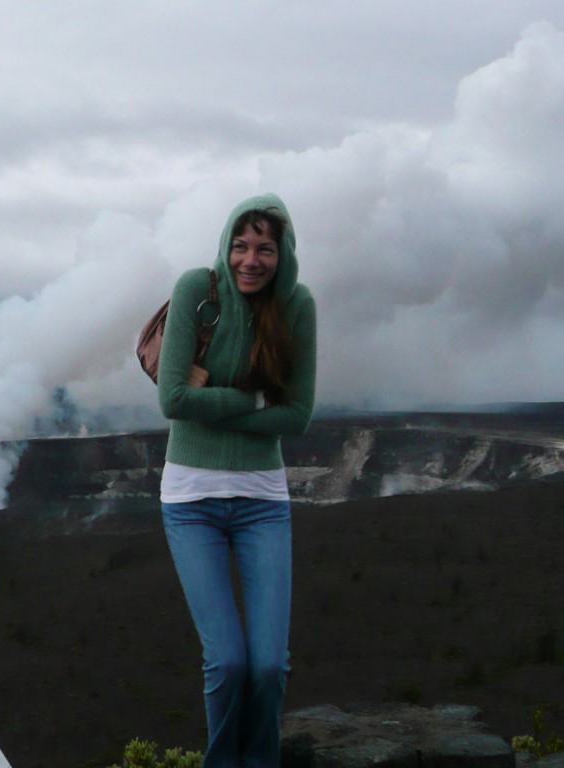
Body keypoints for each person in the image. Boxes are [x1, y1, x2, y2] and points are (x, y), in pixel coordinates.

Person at [157, 192, 316, 768]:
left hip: (262, 502)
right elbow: (173, 399)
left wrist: (214, 400)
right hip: (191, 501)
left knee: (270, 664)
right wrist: (254, 396)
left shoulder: (297, 307)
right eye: (241, 245)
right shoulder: (195, 292)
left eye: (265, 248)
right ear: (226, 245)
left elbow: (296, 416)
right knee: (226, 662)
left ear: (283, 253)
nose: (251, 259)